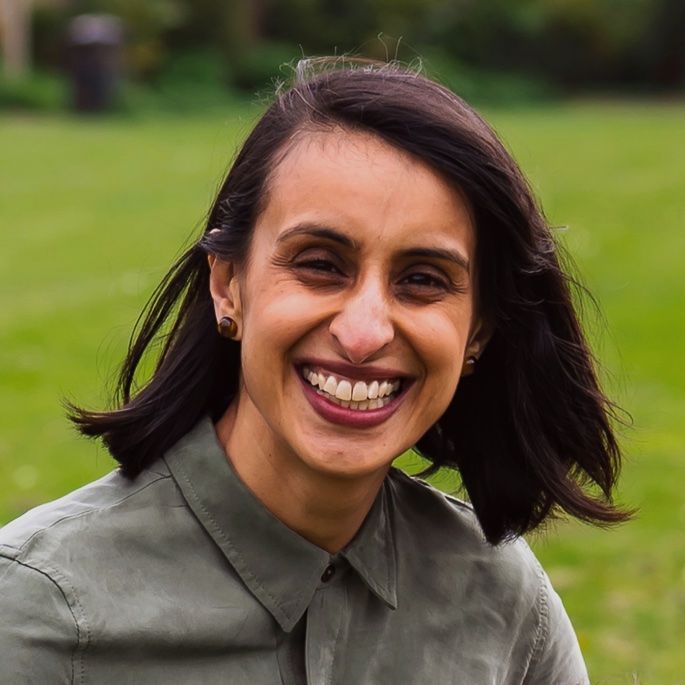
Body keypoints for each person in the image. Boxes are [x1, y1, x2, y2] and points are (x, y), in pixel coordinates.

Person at [0, 58, 628, 684]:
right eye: (321, 264)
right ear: (228, 286)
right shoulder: (41, 608)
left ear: (477, 333)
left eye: (422, 280)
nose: (364, 333)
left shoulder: (502, 598)